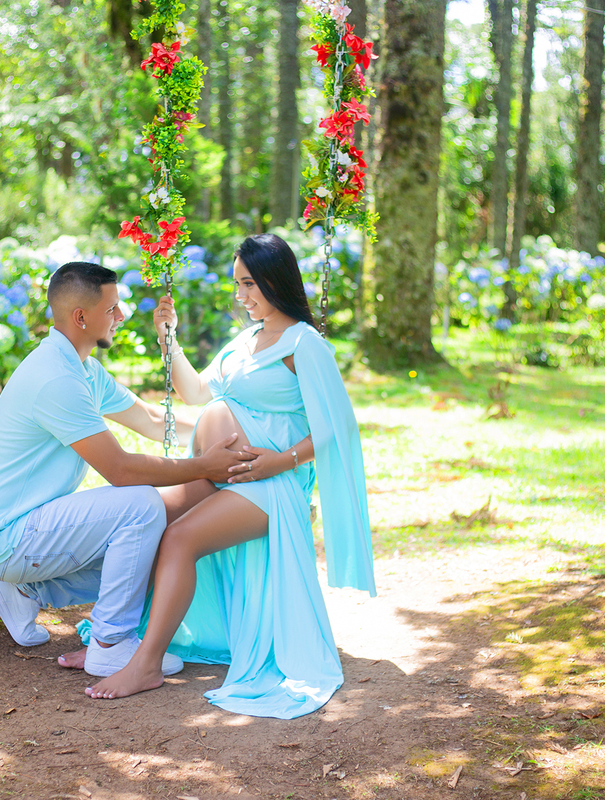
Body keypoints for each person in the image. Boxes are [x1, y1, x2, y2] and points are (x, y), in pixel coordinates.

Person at [82, 233, 376, 719]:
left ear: (274, 280)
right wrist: (168, 338)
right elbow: (197, 392)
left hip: (270, 486)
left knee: (179, 540)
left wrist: (280, 461)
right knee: (147, 518)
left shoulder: (305, 344)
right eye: (237, 284)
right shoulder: (246, 341)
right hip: (227, 477)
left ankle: (146, 664)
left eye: (248, 284)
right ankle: (114, 642)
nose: (241, 295)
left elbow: (337, 427)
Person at [0, 261, 252, 679]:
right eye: (113, 309)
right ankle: (110, 643)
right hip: (11, 536)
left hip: (29, 530)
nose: (121, 317)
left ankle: (27, 593)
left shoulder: (82, 368)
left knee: (151, 534)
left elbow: (155, 422)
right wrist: (204, 465)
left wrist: (234, 428)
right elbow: (120, 470)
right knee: (140, 507)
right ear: (81, 317)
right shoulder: (56, 379)